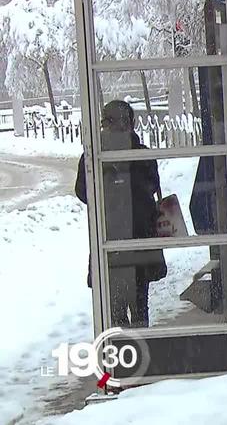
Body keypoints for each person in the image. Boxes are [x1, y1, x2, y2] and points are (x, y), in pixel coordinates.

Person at [76, 100, 166, 328]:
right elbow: (152, 186)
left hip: (110, 240)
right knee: (139, 306)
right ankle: (141, 351)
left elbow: (82, 192)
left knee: (115, 310)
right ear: (131, 123)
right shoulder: (141, 154)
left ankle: (123, 356)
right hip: (139, 240)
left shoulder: (93, 156)